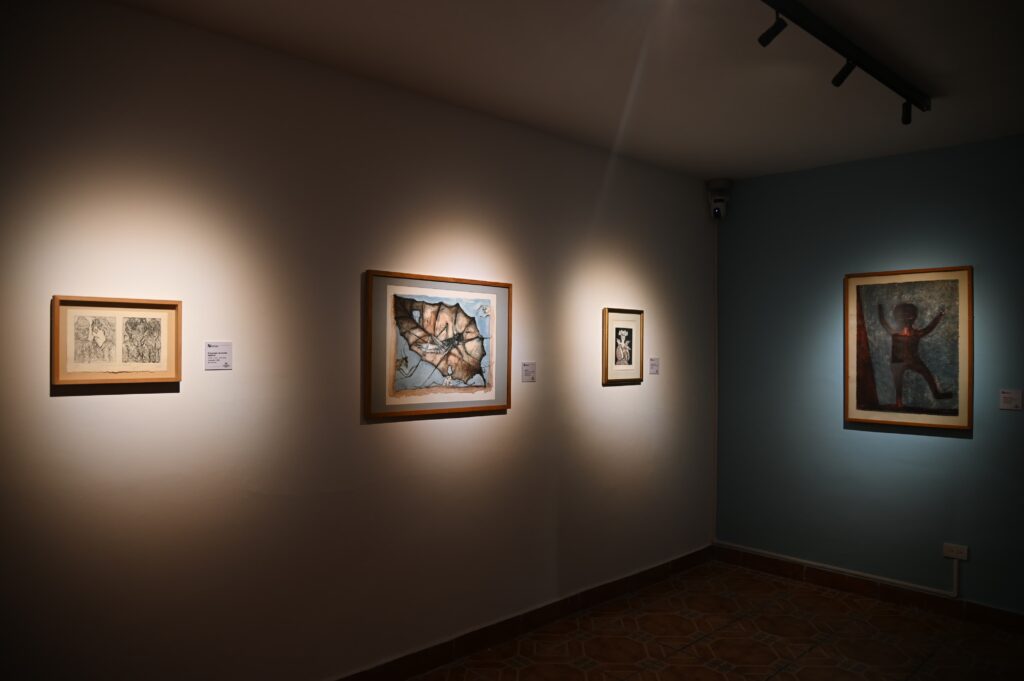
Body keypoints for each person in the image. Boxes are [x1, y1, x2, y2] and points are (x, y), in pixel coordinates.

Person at [878, 303, 953, 408]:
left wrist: (940, 315)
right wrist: (880, 311)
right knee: (898, 382)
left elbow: (930, 327)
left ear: (914, 317)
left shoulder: (914, 333)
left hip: (913, 361)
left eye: (909, 316)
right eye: (903, 316)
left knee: (927, 375)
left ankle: (936, 394)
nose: (906, 319)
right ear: (897, 317)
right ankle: (899, 401)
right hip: (898, 363)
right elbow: (883, 322)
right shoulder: (895, 333)